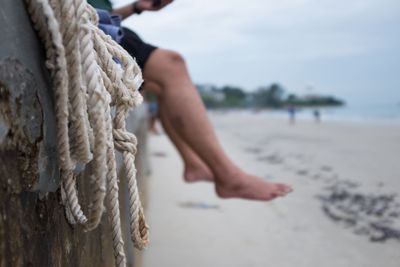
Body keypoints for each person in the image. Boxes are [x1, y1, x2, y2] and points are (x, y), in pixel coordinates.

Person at [88, 0, 292, 201]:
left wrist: (135, 7)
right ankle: (229, 177)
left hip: (101, 26)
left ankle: (193, 163)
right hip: (91, 32)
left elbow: (100, 13)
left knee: (160, 85)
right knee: (172, 64)